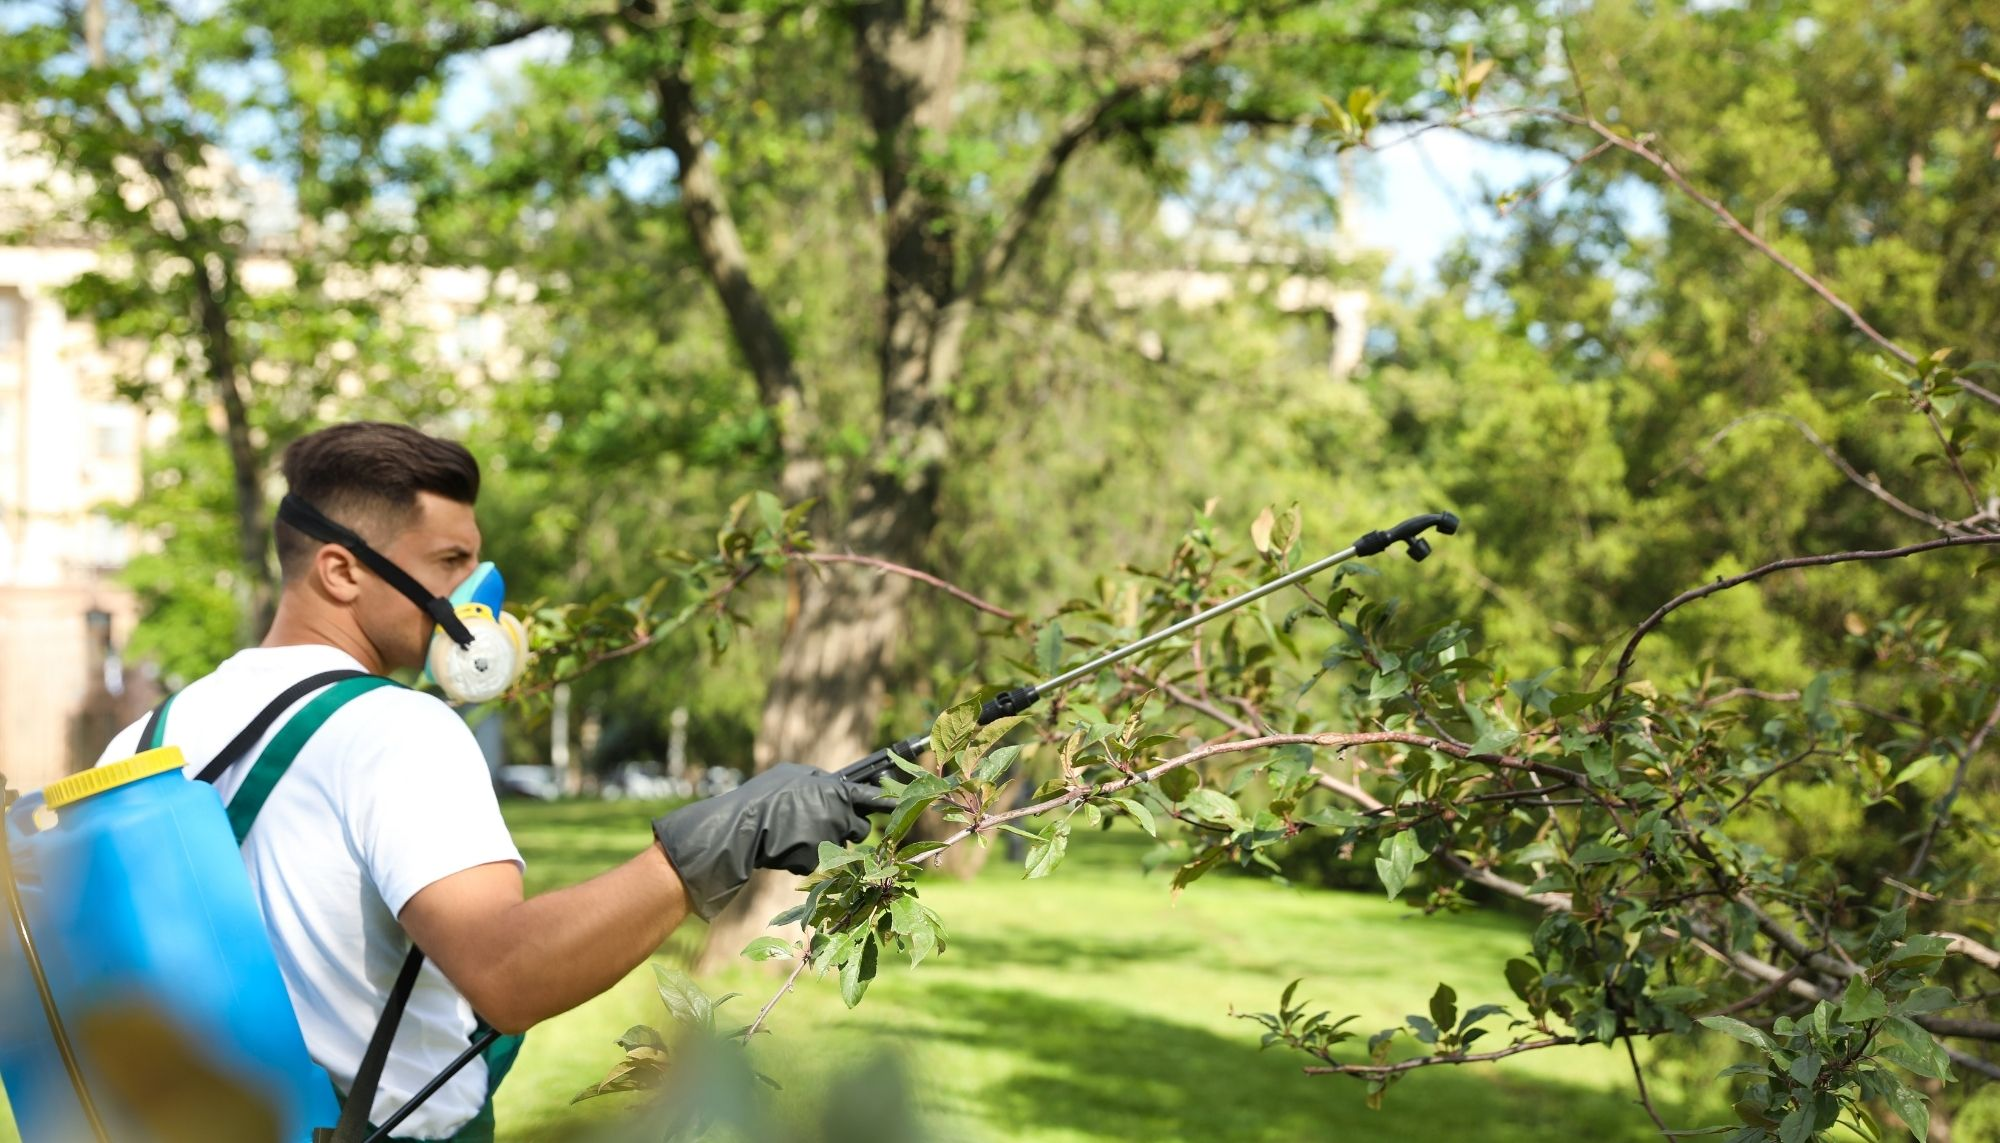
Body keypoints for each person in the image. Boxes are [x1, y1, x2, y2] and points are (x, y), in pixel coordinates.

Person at [94, 422, 887, 1141]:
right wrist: (717, 842)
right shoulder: (395, 728)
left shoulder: (148, 736)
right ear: (340, 570)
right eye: (450, 563)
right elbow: (508, 973)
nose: (476, 597)